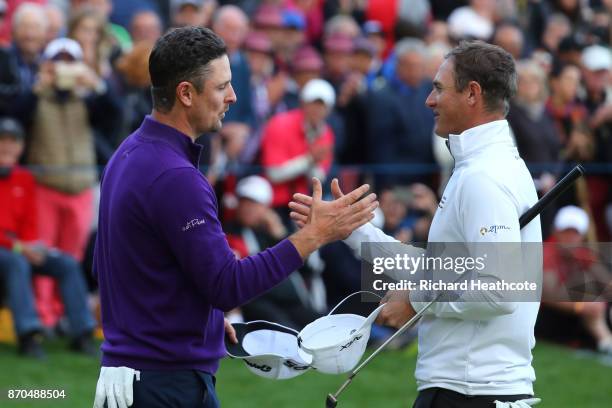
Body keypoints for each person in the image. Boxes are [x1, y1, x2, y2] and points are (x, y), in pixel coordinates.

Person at [92, 27, 378, 408]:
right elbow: (227, 286)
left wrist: (200, 320)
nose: (233, 96)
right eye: (222, 86)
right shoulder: (175, 177)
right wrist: (313, 236)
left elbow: (126, 264)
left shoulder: (128, 152)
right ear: (186, 93)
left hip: (135, 375)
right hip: (165, 383)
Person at [290, 41, 543, 407]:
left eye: (439, 88)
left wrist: (417, 300)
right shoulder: (480, 167)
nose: (429, 100)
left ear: (472, 93)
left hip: (471, 392)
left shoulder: (484, 176)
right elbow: (439, 271)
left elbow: (498, 290)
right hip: (466, 389)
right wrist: (352, 230)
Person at [0, 117, 96, 359]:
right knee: (17, 262)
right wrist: (20, 248)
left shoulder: (24, 177)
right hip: (10, 251)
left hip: (20, 247)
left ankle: (82, 333)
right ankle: (29, 335)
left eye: (13, 141)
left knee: (67, 263)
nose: (8, 146)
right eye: (3, 140)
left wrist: (32, 247)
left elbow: (30, 224)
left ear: (21, 147)